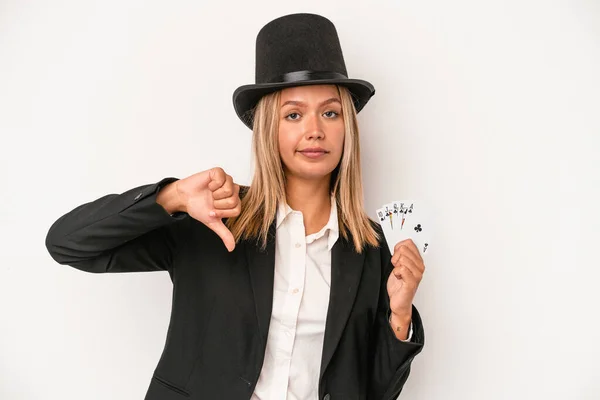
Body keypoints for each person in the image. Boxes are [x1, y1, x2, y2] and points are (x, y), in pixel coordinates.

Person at [45, 12, 425, 400]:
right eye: (293, 114)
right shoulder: (214, 216)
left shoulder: (373, 248)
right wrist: (171, 197)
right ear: (267, 129)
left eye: (330, 112)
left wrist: (399, 315)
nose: (315, 130)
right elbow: (67, 244)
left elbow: (373, 392)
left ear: (348, 127)